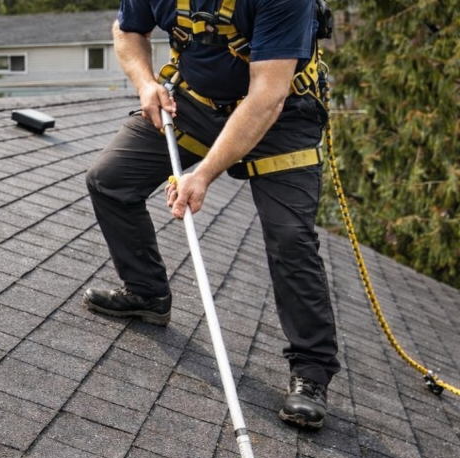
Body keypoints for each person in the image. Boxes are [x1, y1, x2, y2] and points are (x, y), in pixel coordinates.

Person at [84, 0, 339, 430]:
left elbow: (267, 97)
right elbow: (128, 31)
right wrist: (146, 84)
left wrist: (202, 174)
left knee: (289, 236)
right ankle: (147, 294)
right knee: (110, 180)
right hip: (196, 105)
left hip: (283, 114)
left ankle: (311, 372)